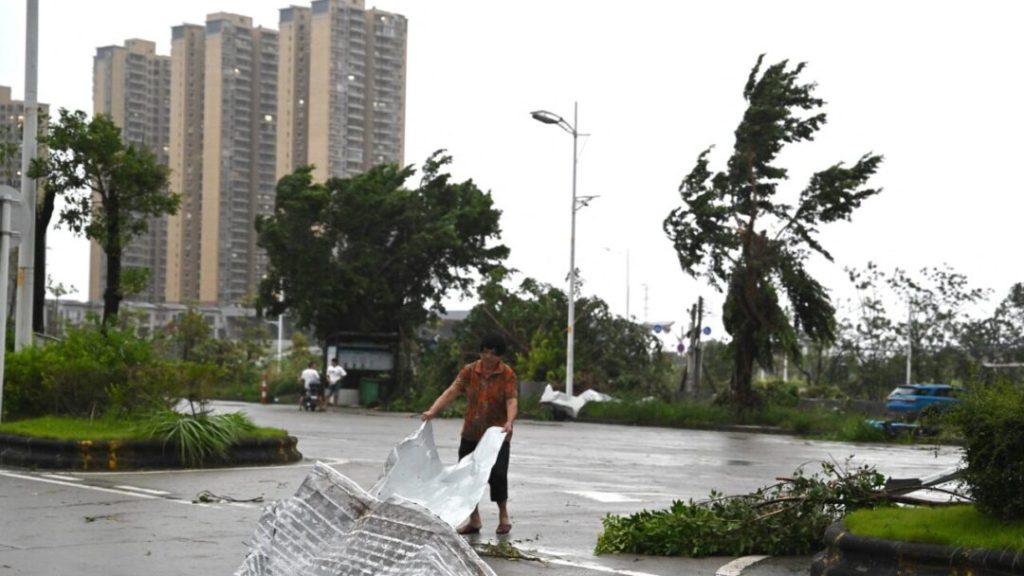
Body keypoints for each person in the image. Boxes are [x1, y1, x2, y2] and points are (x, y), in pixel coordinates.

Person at [421, 333, 518, 536]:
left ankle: (503, 516)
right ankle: (474, 520)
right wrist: (433, 410)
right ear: (480, 352)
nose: (488, 357)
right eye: (485, 352)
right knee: (467, 477)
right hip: (471, 433)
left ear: (500, 356)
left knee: (498, 475)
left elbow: (511, 400)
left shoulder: (507, 374)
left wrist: (509, 421)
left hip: (498, 434)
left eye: (493, 353)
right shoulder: (469, 371)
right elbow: (452, 391)